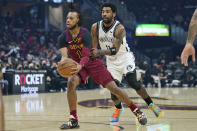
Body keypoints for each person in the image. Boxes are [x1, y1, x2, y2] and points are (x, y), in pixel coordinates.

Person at [58, 9, 147, 129]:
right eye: (67, 18)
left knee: (114, 89)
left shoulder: (85, 34)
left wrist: (80, 65)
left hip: (92, 63)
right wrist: (63, 61)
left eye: (71, 18)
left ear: (77, 20)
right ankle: (73, 119)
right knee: (71, 82)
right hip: (78, 65)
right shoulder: (63, 37)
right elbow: (64, 57)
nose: (68, 20)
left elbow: (86, 55)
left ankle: (136, 110)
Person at [90, 2, 164, 123]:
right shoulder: (95, 27)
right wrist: (93, 58)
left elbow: (114, 50)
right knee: (113, 91)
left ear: (114, 13)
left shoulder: (119, 28)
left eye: (107, 11)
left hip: (125, 57)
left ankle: (151, 105)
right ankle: (118, 109)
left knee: (133, 82)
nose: (104, 14)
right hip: (111, 62)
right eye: (103, 11)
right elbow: (94, 49)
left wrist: (98, 52)